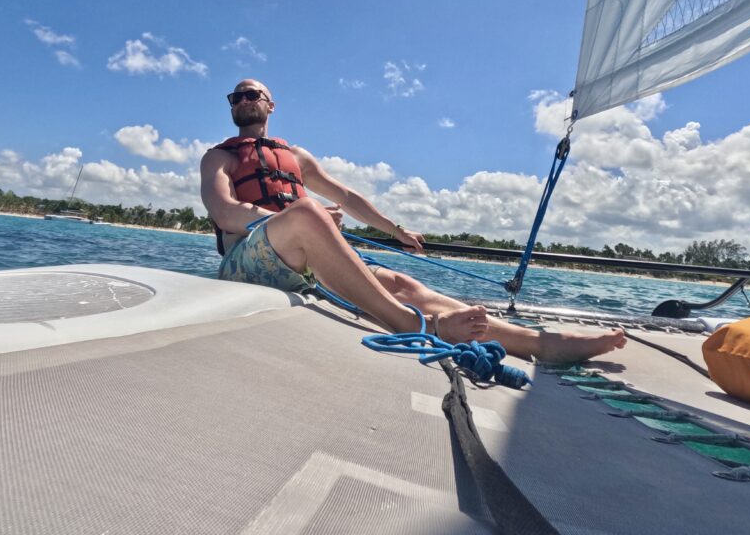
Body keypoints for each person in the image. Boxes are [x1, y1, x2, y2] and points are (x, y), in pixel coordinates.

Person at [200, 79, 626, 363]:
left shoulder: (295, 157)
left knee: (405, 285)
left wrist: (396, 231)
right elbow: (224, 212)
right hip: (246, 265)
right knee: (310, 211)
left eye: (251, 94)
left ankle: (542, 342)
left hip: (302, 261)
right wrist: (293, 215)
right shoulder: (219, 157)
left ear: (270, 104)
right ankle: (406, 324)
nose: (243, 101)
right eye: (235, 97)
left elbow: (347, 197)